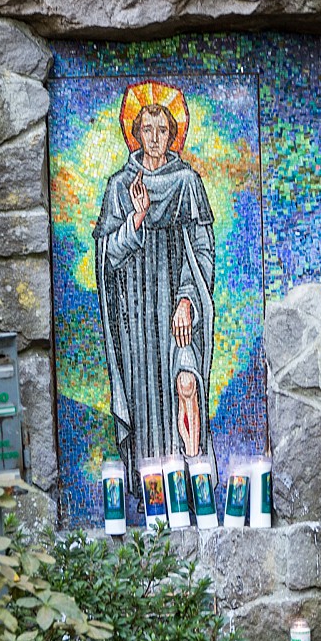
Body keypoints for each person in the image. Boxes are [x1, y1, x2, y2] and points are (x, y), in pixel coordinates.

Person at [92, 83, 216, 485]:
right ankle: (154, 496)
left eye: (163, 129)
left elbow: (201, 250)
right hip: (135, 314)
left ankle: (191, 481)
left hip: (175, 309)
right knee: (145, 400)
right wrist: (136, 218)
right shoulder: (119, 187)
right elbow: (106, 257)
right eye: (147, 129)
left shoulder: (186, 182)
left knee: (185, 384)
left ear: (173, 132)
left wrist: (186, 300)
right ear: (135, 132)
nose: (155, 138)